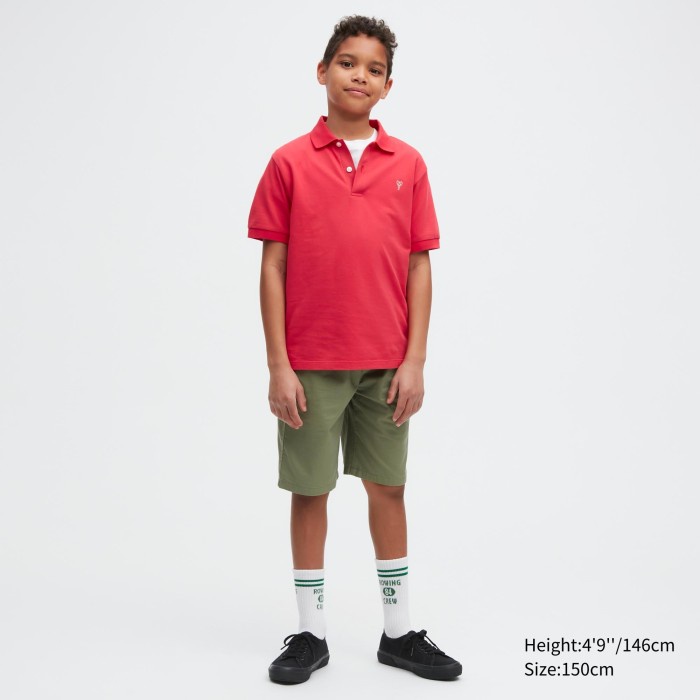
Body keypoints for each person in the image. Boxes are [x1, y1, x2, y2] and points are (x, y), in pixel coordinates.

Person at [247, 14, 462, 684]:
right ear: (322, 71)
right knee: (310, 491)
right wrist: (279, 364)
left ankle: (398, 633)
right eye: (347, 63)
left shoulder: (409, 164)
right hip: (310, 363)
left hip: (386, 365)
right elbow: (273, 266)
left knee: (388, 488)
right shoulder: (288, 162)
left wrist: (415, 359)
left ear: (388, 86)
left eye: (374, 68)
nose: (359, 75)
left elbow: (419, 264)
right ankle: (310, 635)